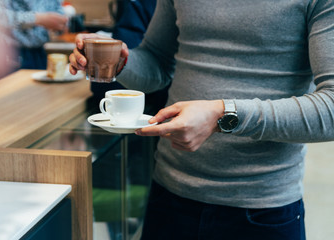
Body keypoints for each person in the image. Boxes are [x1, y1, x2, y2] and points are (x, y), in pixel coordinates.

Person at [69, 0, 334, 239]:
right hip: (169, 193)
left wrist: (223, 114)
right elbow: (157, 62)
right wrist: (118, 62)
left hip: (261, 208)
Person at [3, 0, 68, 70]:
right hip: (10, 53)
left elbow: (57, 9)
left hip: (40, 53)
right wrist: (38, 19)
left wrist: (61, 23)